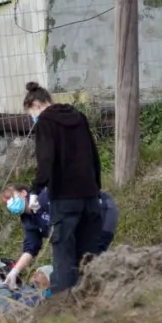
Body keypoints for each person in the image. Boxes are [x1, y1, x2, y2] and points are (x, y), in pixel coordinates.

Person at [24, 81, 104, 292]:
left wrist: (35, 190)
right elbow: (93, 154)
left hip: (64, 197)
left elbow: (46, 160)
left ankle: (65, 302)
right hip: (89, 195)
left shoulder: (45, 122)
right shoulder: (79, 116)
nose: (32, 118)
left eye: (31, 113)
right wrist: (97, 188)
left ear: (36, 105)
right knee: (89, 253)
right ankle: (94, 295)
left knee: (64, 253)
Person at [0, 185, 120, 289]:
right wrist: (15, 271)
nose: (9, 204)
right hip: (77, 233)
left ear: (23, 193)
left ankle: (118, 280)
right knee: (77, 266)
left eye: (10, 198)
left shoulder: (44, 197)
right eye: (6, 204)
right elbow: (30, 248)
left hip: (99, 210)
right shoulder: (29, 220)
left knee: (92, 256)